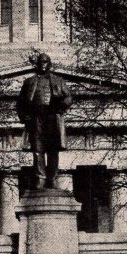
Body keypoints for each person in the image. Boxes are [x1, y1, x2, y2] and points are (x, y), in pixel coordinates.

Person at [16, 53, 73, 189]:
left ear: (49, 63)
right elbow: (20, 103)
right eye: (41, 62)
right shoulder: (29, 82)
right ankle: (40, 178)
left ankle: (52, 178)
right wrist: (24, 116)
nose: (43, 64)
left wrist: (61, 105)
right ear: (37, 64)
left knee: (53, 149)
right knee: (37, 149)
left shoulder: (58, 80)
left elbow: (69, 98)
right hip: (36, 118)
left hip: (53, 117)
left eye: (45, 62)